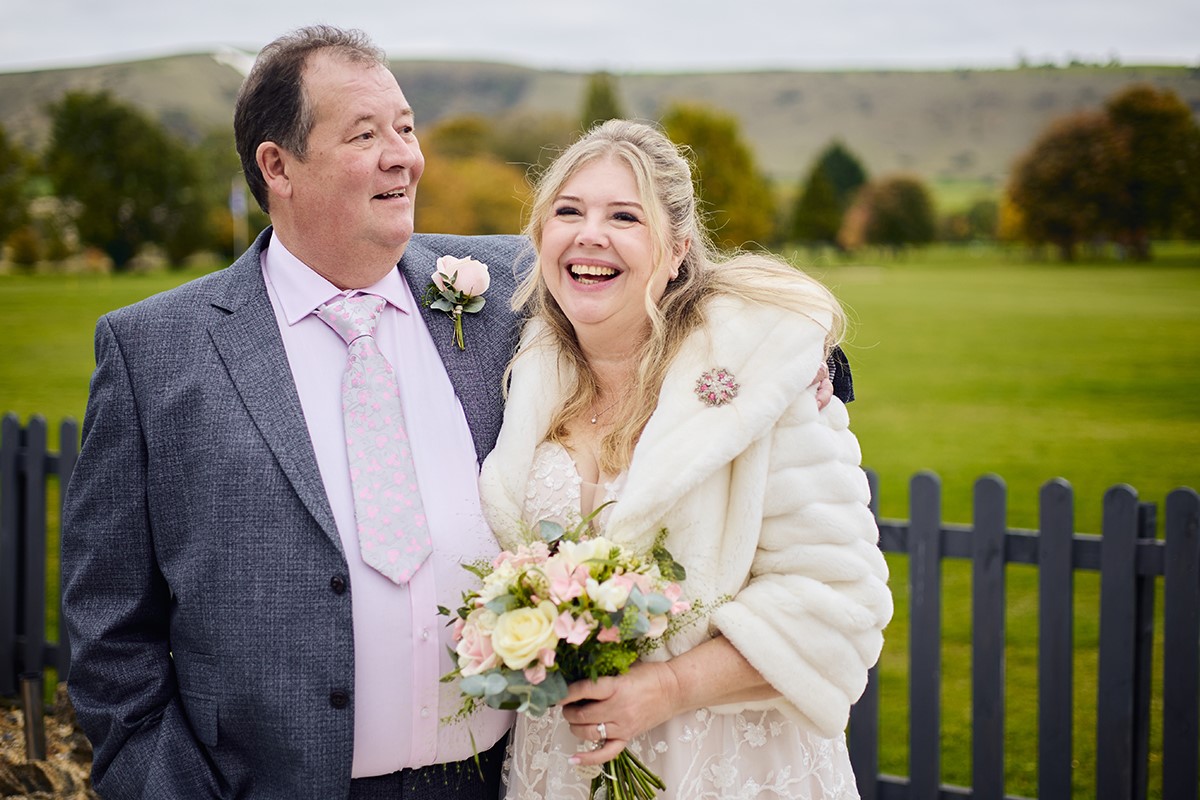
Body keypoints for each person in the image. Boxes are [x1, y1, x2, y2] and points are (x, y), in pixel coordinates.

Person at [59, 26, 524, 799]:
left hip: (499, 780)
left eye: (406, 128)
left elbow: (661, 274)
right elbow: (109, 632)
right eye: (365, 135)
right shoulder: (155, 352)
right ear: (277, 166)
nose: (403, 157)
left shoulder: (507, 286)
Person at [478, 120, 892, 799]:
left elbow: (837, 600)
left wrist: (666, 686)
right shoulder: (524, 372)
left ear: (676, 250)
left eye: (624, 216)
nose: (589, 235)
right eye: (568, 212)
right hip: (559, 765)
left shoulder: (762, 376)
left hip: (726, 767)